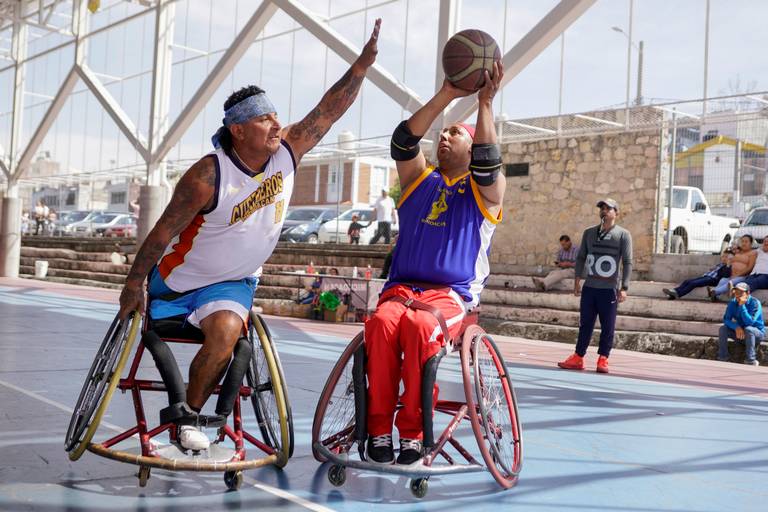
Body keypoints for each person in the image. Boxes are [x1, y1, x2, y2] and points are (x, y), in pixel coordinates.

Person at [117, 19, 382, 451]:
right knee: (211, 327)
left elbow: (328, 111)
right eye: (264, 118)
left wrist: (362, 66)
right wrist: (132, 282)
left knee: (226, 334)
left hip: (231, 284)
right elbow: (163, 230)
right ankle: (187, 417)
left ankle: (187, 421)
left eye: (276, 114)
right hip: (179, 280)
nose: (277, 123)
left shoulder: (288, 152)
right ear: (238, 130)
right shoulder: (207, 175)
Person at [364, 62, 505, 465]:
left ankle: (412, 431)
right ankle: (378, 430)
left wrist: (485, 103)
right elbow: (403, 142)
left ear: (472, 146)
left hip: (449, 296)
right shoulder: (417, 181)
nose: (444, 136)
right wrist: (446, 94)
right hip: (402, 289)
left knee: (420, 326)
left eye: (454, 133)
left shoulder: (485, 193)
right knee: (381, 324)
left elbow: (489, 162)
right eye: (442, 132)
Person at [558, 198, 633, 374]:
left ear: (616, 213)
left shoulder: (623, 235)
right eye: (602, 208)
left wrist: (625, 287)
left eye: (608, 208)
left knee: (608, 326)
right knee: (585, 323)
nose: (604, 211)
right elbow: (581, 257)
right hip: (590, 287)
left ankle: (603, 358)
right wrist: (577, 280)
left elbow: (628, 262)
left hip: (609, 289)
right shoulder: (589, 233)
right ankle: (578, 357)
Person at [717, 282, 763, 366]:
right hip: (740, 334)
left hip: (756, 334)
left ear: (748, 293)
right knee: (723, 329)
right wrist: (736, 326)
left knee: (749, 329)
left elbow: (750, 322)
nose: (738, 295)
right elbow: (726, 319)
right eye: (736, 292)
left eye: (741, 292)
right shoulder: (732, 302)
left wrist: (742, 306)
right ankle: (723, 357)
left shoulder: (755, 303)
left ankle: (751, 360)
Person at [662, 249, 733, 299]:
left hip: (713, 280)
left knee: (693, 283)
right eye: (723, 256)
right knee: (687, 281)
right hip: (706, 277)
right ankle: (673, 292)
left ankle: (677, 294)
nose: (724, 258)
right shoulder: (719, 264)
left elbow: (726, 275)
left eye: (726, 257)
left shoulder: (728, 266)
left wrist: (728, 264)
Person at [709, 235, 756, 300]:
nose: (744, 243)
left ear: (750, 243)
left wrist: (738, 275)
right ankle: (715, 296)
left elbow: (750, 267)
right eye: (742, 241)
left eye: (746, 242)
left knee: (731, 282)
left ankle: (715, 291)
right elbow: (727, 257)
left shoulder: (753, 253)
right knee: (723, 280)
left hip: (743, 276)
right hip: (731, 275)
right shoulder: (737, 252)